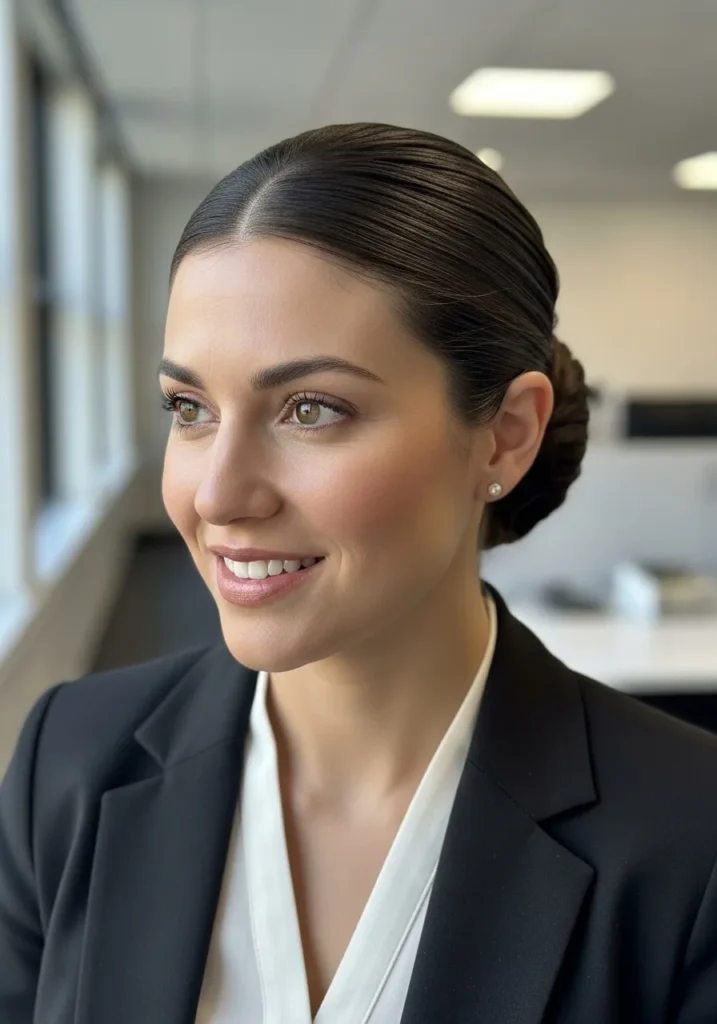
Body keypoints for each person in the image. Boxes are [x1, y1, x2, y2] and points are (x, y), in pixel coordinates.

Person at [1, 123, 716, 1024]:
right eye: (189, 408)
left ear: (505, 435)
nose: (217, 494)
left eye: (310, 409)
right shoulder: (70, 760)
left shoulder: (690, 839)